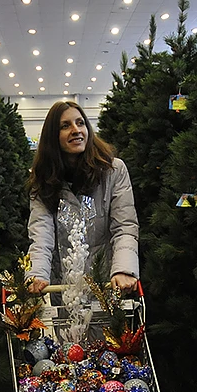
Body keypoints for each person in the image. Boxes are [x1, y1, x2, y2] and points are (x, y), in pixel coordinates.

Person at [25, 101, 139, 294]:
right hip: (61, 287)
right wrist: (36, 274)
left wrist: (124, 270)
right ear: (53, 137)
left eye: (80, 123)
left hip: (106, 286)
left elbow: (124, 226)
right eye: (65, 126)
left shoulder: (113, 171)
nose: (76, 130)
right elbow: (41, 234)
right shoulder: (43, 180)